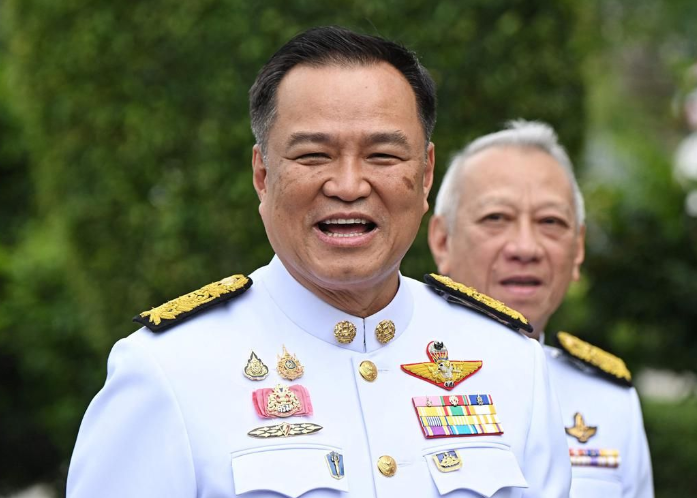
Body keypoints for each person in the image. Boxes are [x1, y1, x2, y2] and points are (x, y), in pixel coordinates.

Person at [67, 28, 570, 497]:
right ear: (263, 176)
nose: (348, 186)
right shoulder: (168, 371)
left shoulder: (510, 362)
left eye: (382, 156)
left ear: (425, 175)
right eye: (313, 156)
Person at [428, 120, 654, 498]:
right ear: (442, 240)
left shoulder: (611, 403)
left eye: (551, 222)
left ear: (578, 249)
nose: (526, 248)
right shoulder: (390, 372)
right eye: (496, 218)